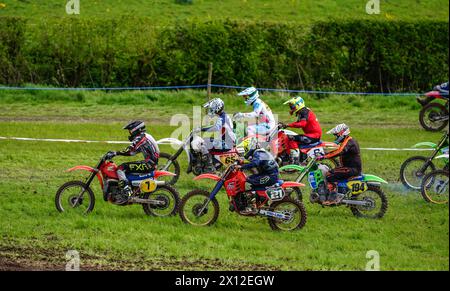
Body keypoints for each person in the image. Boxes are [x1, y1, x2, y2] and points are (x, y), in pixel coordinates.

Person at [105, 120, 160, 204]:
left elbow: (130, 150)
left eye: (130, 131)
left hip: (149, 164)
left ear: (135, 129)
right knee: (127, 170)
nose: (130, 133)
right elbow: (133, 152)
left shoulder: (140, 137)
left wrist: (115, 153)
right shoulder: (144, 136)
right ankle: (129, 187)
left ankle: (127, 192)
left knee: (121, 168)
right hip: (150, 162)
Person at [320, 123, 361, 205]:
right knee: (332, 172)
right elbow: (336, 149)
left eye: (336, 135)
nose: (336, 137)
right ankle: (335, 192)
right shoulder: (347, 141)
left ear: (342, 133)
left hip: (352, 169)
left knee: (329, 175)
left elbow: (339, 151)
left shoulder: (349, 142)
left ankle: (333, 198)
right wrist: (324, 152)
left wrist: (325, 156)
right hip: (349, 167)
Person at [236, 137, 280, 214]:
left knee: (248, 182)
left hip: (271, 176)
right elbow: (252, 161)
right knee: (250, 178)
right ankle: (259, 201)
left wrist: (242, 167)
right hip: (269, 174)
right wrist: (241, 162)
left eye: (245, 148)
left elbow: (255, 163)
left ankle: (251, 207)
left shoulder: (258, 153)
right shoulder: (259, 152)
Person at [193, 98, 236, 171]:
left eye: (212, 108)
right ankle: (211, 162)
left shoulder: (222, 117)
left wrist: (201, 129)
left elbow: (216, 127)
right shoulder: (222, 116)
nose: (211, 110)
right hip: (226, 141)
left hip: (227, 143)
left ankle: (210, 167)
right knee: (206, 140)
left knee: (204, 144)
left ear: (217, 108)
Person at [279, 96, 323, 164]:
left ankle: (295, 161)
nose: (291, 108)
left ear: (298, 105)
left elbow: (302, 124)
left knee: (291, 138)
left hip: (314, 136)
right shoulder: (302, 111)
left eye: (292, 106)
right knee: (287, 138)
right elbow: (299, 123)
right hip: (311, 134)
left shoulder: (304, 112)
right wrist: (284, 125)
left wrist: (287, 125)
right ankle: (289, 156)